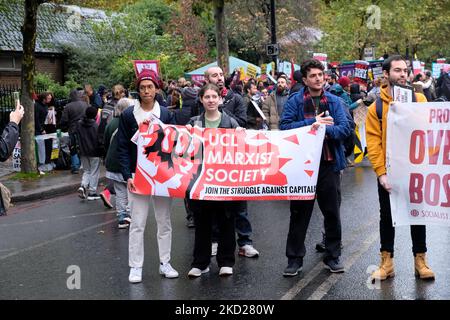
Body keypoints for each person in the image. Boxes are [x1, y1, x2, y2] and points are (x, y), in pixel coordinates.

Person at [365, 55, 434, 281]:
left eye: (405, 70)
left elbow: (430, 132)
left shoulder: (420, 99)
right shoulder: (376, 107)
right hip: (389, 172)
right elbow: (373, 143)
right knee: (387, 216)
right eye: (397, 70)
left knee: (417, 214)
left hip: (416, 170)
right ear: (386, 74)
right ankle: (387, 262)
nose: (403, 74)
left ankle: (420, 260)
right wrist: (381, 173)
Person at [280, 59, 351, 276]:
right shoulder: (294, 102)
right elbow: (284, 128)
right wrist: (313, 125)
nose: (318, 79)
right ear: (305, 79)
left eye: (321, 75)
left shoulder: (335, 101)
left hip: (328, 165)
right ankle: (294, 259)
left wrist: (324, 130)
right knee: (299, 214)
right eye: (313, 76)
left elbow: (345, 128)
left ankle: (333, 256)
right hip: (302, 168)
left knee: (332, 213)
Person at [117, 69, 179, 283]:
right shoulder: (128, 115)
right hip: (138, 175)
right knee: (137, 222)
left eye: (150, 87)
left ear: (156, 88)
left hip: (161, 174)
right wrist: (127, 175)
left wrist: (173, 174)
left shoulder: (166, 113)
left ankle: (165, 262)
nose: (146, 91)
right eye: (142, 87)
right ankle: (135, 266)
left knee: (164, 221)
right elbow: (122, 147)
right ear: (138, 90)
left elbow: (174, 144)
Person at [199, 66, 259, 258]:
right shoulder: (202, 101)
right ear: (207, 79)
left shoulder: (236, 98)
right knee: (214, 204)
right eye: (214, 75)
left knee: (239, 204)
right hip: (209, 161)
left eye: (220, 75)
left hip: (233, 160)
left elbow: (243, 122)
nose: (219, 78)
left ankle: (245, 242)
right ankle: (215, 241)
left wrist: (221, 109)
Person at [187, 83, 240, 277]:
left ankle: (226, 261)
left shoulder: (231, 123)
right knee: (202, 222)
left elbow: (241, 151)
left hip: (225, 181)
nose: (210, 100)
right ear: (201, 99)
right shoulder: (193, 124)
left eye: (214, 97)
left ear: (220, 99)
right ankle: (201, 263)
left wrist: (241, 136)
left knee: (227, 220)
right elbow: (184, 153)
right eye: (207, 97)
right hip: (200, 181)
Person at [104, 98, 134, 228]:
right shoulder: (129, 123)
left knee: (120, 191)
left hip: (113, 161)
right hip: (126, 161)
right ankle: (129, 214)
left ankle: (122, 216)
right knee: (130, 191)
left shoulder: (111, 123)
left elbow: (105, 142)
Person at [76, 106, 103, 200]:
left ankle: (83, 186)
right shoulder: (95, 126)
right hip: (94, 152)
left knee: (87, 170)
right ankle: (92, 192)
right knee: (94, 172)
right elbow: (99, 140)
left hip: (83, 151)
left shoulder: (79, 124)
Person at [60, 89, 89, 174]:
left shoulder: (68, 106)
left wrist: (62, 126)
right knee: (83, 147)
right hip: (84, 129)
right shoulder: (85, 104)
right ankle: (85, 165)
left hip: (73, 129)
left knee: (73, 148)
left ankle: (75, 167)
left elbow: (64, 120)